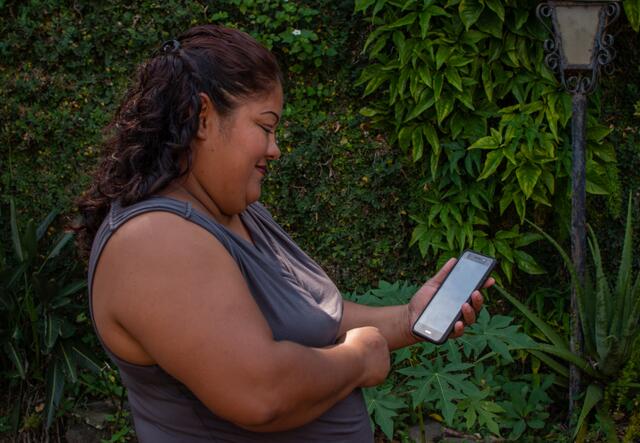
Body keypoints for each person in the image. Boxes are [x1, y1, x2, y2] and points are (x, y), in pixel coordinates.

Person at [75, 24, 492, 442]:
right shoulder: (153, 241)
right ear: (200, 117)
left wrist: (407, 320)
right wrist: (358, 361)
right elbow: (260, 393)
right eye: (265, 126)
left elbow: (314, 317)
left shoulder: (241, 212)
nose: (274, 148)